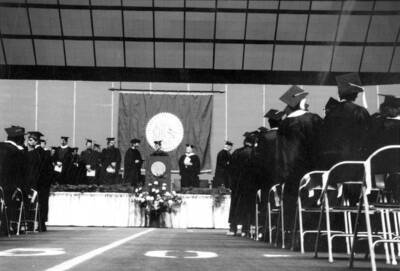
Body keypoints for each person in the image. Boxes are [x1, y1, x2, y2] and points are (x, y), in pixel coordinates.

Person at [277, 86, 323, 238]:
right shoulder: (313, 119)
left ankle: (291, 234)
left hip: (289, 171)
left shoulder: (283, 124)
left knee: (291, 202)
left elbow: (280, 151)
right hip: (310, 171)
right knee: (309, 201)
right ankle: (309, 235)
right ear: (301, 102)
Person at [320, 73, 371, 170]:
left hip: (333, 160)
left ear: (340, 93)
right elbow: (367, 135)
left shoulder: (330, 113)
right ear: (355, 95)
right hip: (354, 159)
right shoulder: (359, 111)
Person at [228, 131, 258, 236]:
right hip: (251, 185)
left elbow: (230, 169)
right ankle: (247, 228)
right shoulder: (255, 154)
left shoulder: (236, 152)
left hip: (238, 184)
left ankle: (233, 227)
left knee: (236, 205)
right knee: (248, 206)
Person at [0, 126, 26, 234]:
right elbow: (19, 171)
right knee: (8, 205)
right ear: (18, 139)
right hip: (9, 183)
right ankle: (5, 228)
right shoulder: (16, 151)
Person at [38, 139, 53, 231]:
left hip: (36, 183)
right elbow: (50, 170)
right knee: (43, 202)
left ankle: (32, 222)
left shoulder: (28, 152)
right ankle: (42, 222)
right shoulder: (46, 154)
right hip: (43, 183)